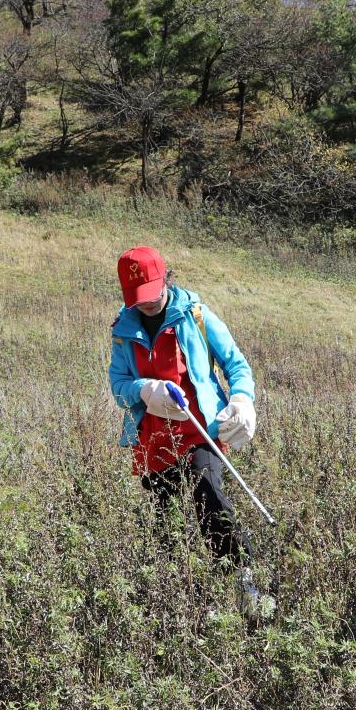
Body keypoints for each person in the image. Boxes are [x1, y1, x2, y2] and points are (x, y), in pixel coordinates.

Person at [108, 246, 268, 612]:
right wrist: (144, 390)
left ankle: (243, 584)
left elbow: (236, 365)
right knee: (165, 521)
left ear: (166, 278)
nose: (145, 304)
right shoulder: (122, 330)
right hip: (154, 438)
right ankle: (180, 601)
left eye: (151, 293)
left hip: (200, 430)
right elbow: (118, 385)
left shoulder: (196, 315)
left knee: (209, 497)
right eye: (137, 298)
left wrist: (242, 400)